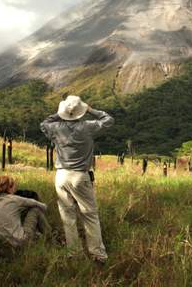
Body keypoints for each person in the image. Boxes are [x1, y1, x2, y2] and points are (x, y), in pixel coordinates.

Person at [40, 95, 113, 263]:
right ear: (82, 111)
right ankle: (98, 254)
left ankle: (74, 253)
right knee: (90, 215)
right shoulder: (88, 127)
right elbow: (108, 120)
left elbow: (43, 124)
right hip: (80, 175)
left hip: (61, 175)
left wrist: (61, 114)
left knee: (68, 216)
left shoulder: (56, 127)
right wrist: (91, 110)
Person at [0, 175, 49, 246]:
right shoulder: (15, 199)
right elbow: (39, 205)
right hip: (20, 242)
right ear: (10, 188)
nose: (15, 189)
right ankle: (51, 236)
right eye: (14, 187)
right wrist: (44, 206)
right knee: (35, 209)